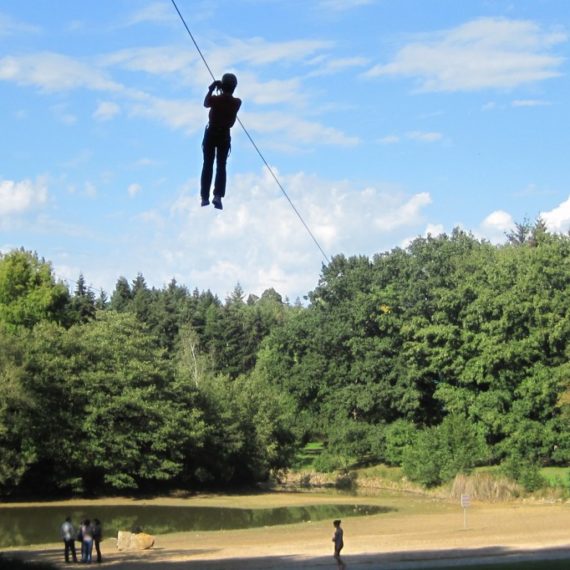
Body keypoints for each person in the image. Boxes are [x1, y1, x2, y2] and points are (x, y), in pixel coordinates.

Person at [200, 72, 242, 210]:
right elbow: (225, 99)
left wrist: (212, 88)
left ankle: (205, 197)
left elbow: (206, 103)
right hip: (224, 135)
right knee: (221, 165)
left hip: (211, 133)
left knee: (208, 164)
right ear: (234, 87)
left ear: (223, 86)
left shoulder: (216, 100)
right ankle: (217, 196)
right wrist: (221, 89)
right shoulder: (237, 103)